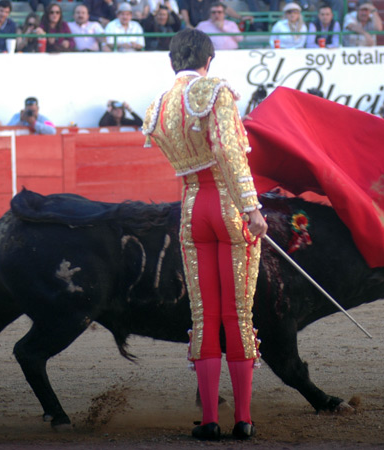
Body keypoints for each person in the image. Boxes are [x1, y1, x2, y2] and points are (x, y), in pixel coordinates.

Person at [142, 28, 268, 442]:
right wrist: (251, 207)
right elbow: (229, 152)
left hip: (191, 210)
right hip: (227, 206)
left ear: (173, 61)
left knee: (204, 317)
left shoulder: (160, 106)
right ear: (209, 60)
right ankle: (244, 418)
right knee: (238, 315)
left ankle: (210, 420)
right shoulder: (215, 91)